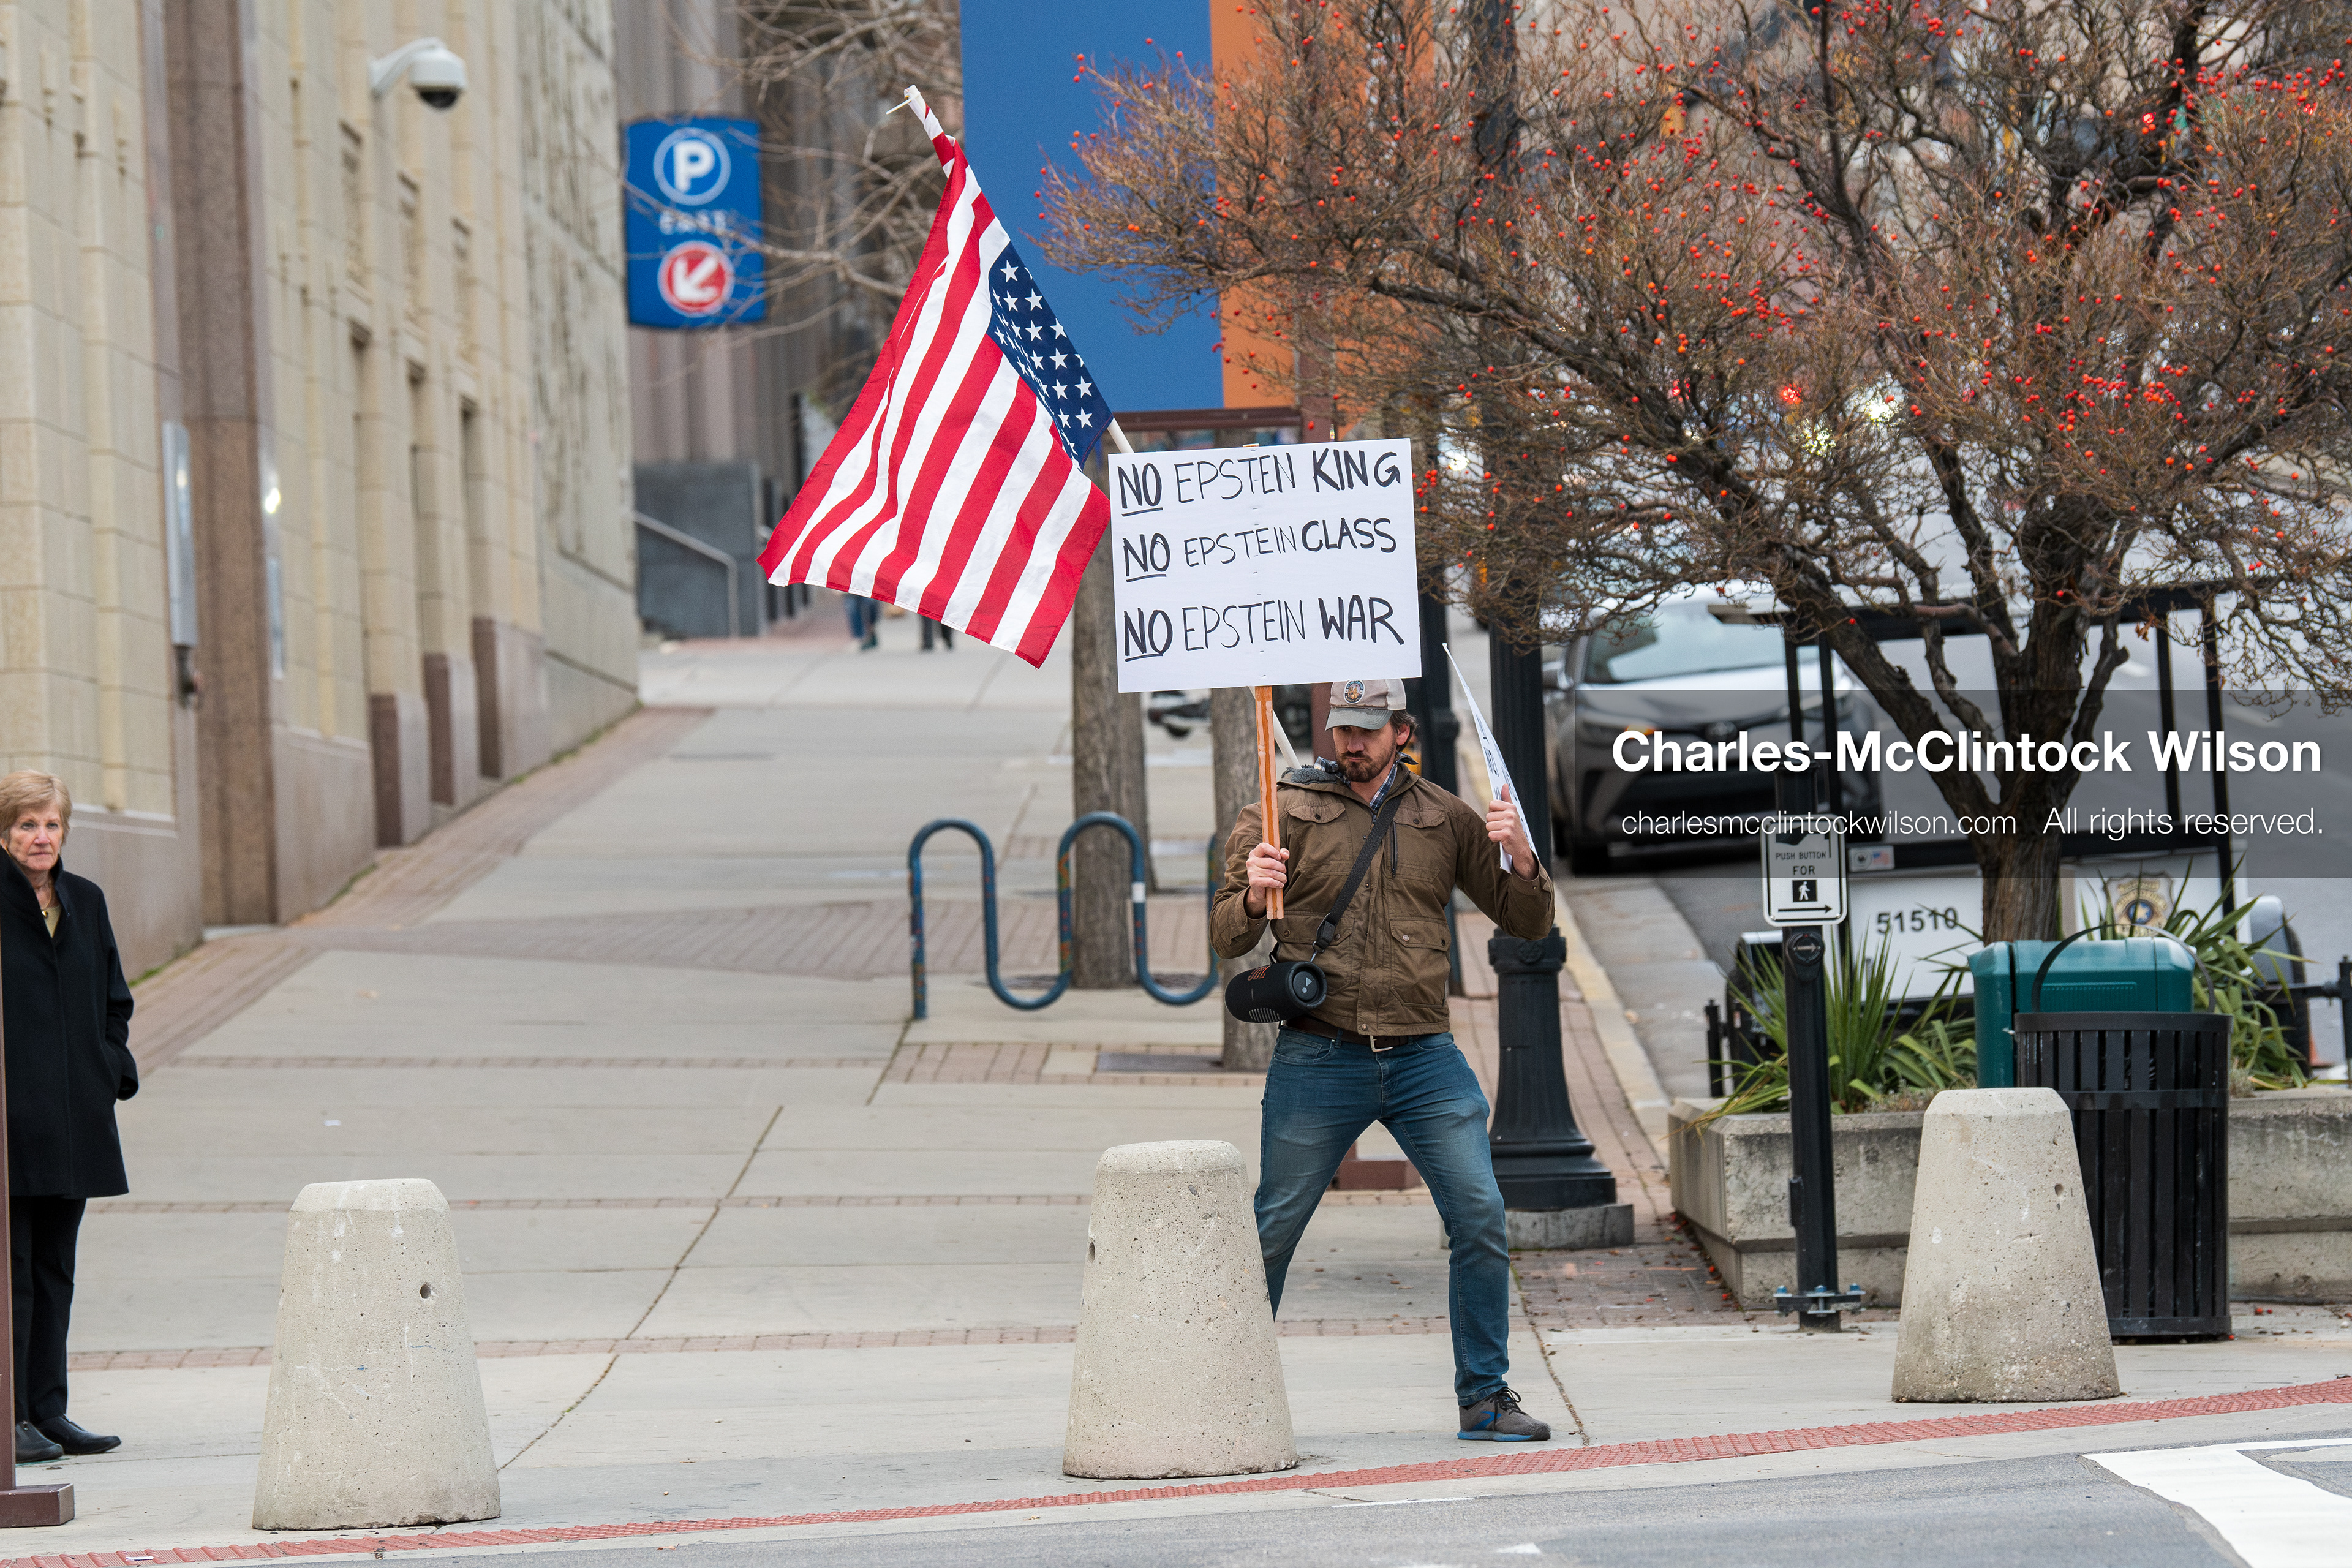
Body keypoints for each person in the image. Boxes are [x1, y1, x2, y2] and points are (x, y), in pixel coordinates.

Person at [1212, 679, 1556, 1442]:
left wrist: (1523, 859)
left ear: (1402, 731)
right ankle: (1222, 1395)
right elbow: (1227, 939)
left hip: (1423, 1055)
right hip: (1319, 1054)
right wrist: (1252, 893)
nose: (1351, 743)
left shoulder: (1445, 817)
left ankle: (1485, 1396)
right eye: (1342, 729)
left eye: (1368, 730)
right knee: (1272, 1226)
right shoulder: (1281, 811)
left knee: (1480, 1215)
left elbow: (1526, 923)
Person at [0, 772, 135, 1461]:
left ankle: (49, 1412)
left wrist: (107, 1066)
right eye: (26, 824)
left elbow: (116, 996)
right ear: (3, 833)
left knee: (56, 1268)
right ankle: (11, 1416)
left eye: (50, 824)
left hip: (76, 1118)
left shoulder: (85, 899)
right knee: (13, 1273)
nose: (41, 837)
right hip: (10, 1125)